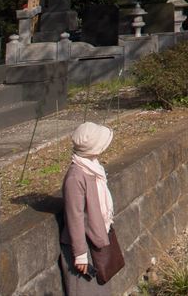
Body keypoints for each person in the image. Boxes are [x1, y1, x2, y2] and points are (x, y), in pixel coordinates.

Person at [60, 121, 116, 295]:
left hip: (95, 237)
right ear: (94, 148)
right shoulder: (76, 177)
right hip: (82, 247)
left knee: (101, 286)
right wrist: (80, 254)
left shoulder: (92, 167)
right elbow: (75, 216)